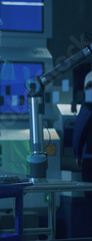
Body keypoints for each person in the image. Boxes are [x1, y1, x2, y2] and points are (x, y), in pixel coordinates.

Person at [73, 70, 92, 232]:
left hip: (89, 159)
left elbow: (79, 132)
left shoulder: (87, 106)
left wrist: (77, 154)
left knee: (90, 198)